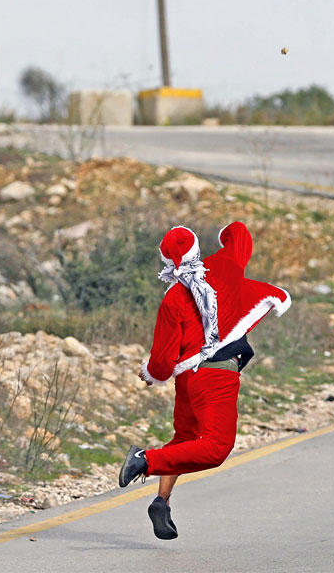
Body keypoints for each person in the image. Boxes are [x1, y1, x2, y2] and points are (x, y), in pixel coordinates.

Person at [118, 222, 291, 541]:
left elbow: (163, 362)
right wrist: (226, 234)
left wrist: (150, 373)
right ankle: (145, 461)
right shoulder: (226, 264)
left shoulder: (173, 298)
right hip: (217, 377)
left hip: (188, 380)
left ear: (168, 263)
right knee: (216, 447)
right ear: (197, 246)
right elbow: (240, 233)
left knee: (185, 439)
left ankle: (161, 503)